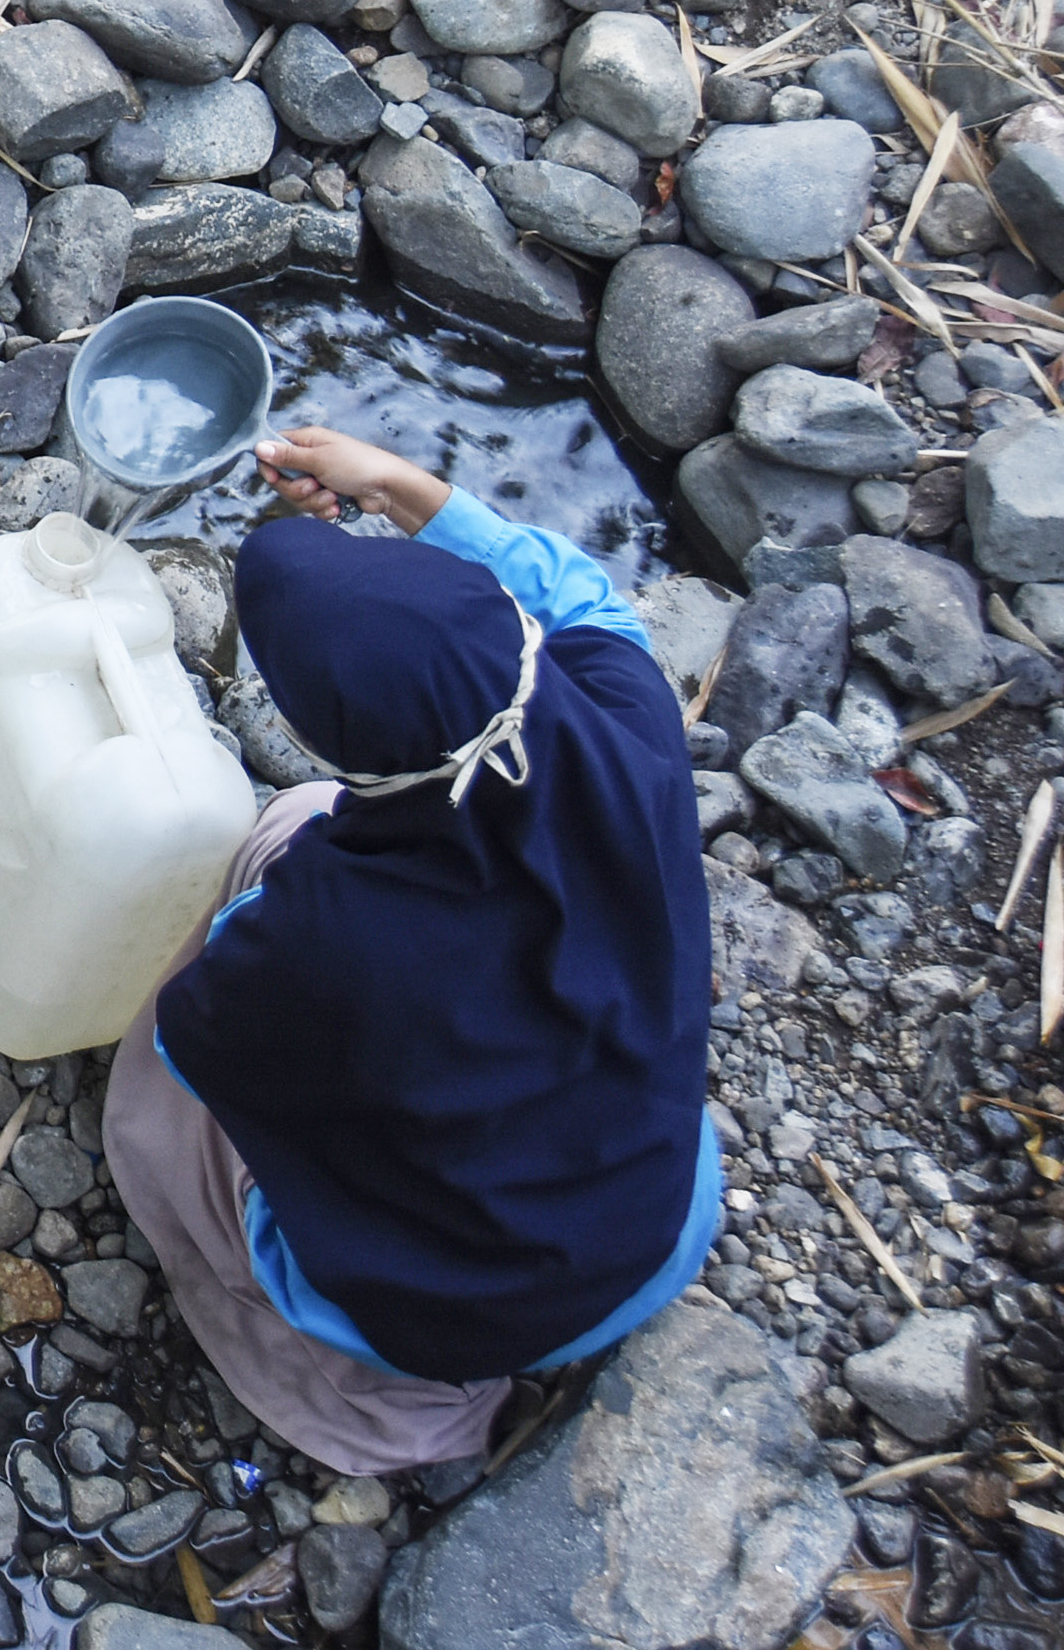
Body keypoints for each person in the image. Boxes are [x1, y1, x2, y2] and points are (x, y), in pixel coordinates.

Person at [101, 422, 719, 1476]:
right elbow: (580, 597)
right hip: (661, 1218)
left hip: (467, 1307)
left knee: (160, 1107)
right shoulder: (629, 722)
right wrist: (394, 485)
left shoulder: (335, 943)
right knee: (302, 827)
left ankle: (379, 1401)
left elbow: (204, 1034)